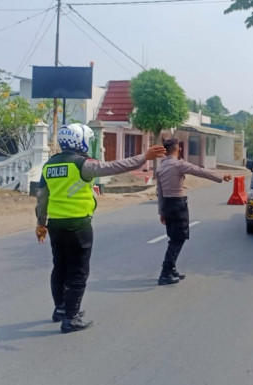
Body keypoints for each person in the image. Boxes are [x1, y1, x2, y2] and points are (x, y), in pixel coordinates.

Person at [35, 123, 166, 334]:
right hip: (78, 224)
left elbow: (42, 197)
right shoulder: (82, 164)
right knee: (78, 271)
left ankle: (61, 309)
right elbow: (113, 167)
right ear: (81, 141)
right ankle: (71, 318)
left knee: (59, 268)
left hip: (56, 225)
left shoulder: (49, 165)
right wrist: (144, 157)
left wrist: (41, 223)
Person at [155, 138, 232, 285]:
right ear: (178, 149)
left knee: (174, 238)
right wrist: (221, 176)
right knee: (178, 239)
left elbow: (159, 192)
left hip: (168, 205)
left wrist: (161, 212)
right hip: (178, 205)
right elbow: (199, 171)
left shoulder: (160, 167)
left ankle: (171, 269)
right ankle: (165, 273)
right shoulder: (178, 164)